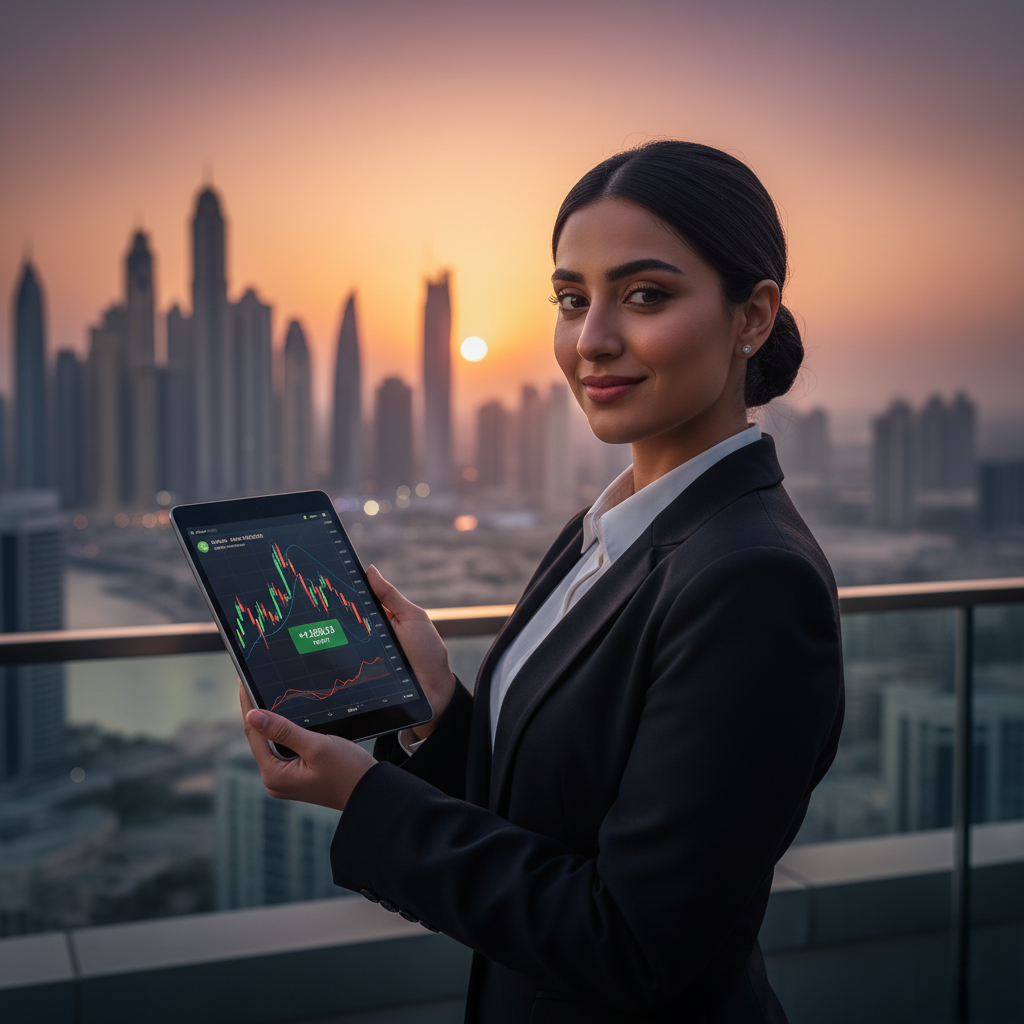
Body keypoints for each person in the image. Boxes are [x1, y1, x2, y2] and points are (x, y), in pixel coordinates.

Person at [241, 140, 845, 1023]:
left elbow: (634, 944)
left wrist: (364, 796)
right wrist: (431, 709)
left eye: (645, 295)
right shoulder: (607, 528)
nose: (591, 340)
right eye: (571, 299)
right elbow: (548, 819)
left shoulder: (752, 580)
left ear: (752, 316)